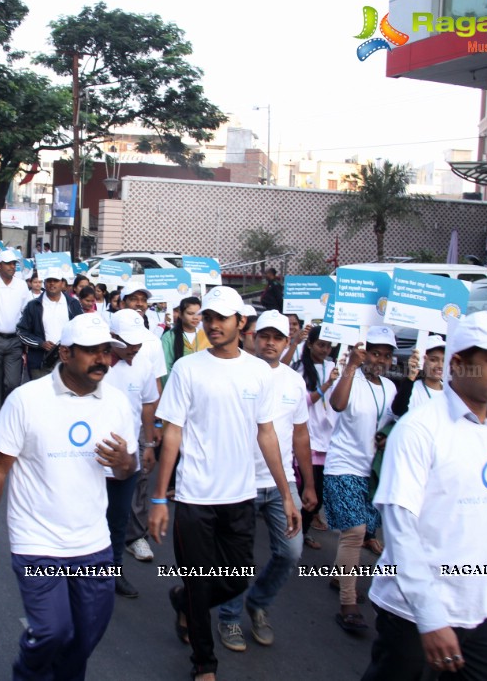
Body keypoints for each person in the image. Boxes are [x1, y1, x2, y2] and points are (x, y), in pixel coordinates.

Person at [363, 311, 487, 680]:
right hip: (414, 612)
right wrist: (430, 616)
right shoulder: (419, 429)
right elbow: (402, 529)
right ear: (458, 363)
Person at [0, 314, 138, 681]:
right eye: (91, 351)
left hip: (93, 542)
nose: (102, 360)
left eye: (106, 351)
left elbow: (124, 471)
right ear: (65, 352)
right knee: (52, 631)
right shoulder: (26, 400)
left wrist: (126, 463)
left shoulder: (118, 404)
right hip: (37, 540)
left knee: (88, 633)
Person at [149, 285, 298, 681]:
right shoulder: (188, 368)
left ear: (240, 323)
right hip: (195, 497)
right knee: (200, 585)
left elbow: (267, 434)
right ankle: (204, 664)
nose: (212, 325)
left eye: (221, 319)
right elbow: (173, 434)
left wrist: (287, 495)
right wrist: (161, 498)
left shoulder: (257, 373)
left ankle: (183, 600)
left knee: (237, 578)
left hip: (240, 497)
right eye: (208, 318)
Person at [216, 310, 315, 652]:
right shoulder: (235, 374)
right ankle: (229, 618)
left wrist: (308, 485)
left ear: (288, 342)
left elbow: (301, 434)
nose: (270, 343)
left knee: (291, 551)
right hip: (240, 482)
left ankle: (258, 602)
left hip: (281, 485)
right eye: (264, 336)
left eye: (278, 338)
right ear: (252, 338)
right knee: (237, 557)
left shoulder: (294, 381)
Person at [325, 326, 397, 632]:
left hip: (372, 472)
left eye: (385, 355)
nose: (379, 360)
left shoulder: (391, 389)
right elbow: (337, 405)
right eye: (374, 353)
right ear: (363, 352)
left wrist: (384, 436)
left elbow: (392, 421)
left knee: (359, 531)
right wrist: (351, 366)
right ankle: (348, 603)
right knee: (355, 532)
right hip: (343, 466)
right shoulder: (350, 379)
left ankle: (341, 574)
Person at [103, 309, 160, 599]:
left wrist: (148, 445)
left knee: (118, 519)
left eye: (138, 343)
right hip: (92, 457)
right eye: (128, 343)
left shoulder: (143, 365)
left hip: (129, 458)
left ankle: (113, 571)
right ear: (112, 338)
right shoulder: (96, 363)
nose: (134, 348)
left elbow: (149, 405)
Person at [292, 326, 339, 548]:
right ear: (310, 344)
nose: (325, 349)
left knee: (318, 492)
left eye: (328, 345)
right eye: (321, 344)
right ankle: (296, 530)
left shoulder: (333, 367)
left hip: (327, 438)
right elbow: (303, 402)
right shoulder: (301, 369)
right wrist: (326, 385)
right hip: (308, 435)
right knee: (306, 489)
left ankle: (305, 529)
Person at [0, 250, 32, 422]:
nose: (12, 266)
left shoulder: (22, 285)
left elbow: (26, 311)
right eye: (8, 263)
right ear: (0, 265)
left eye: (14, 263)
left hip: (14, 340)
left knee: (11, 382)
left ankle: (7, 415)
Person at [17, 269, 83, 381]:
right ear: (45, 283)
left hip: (66, 362)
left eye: (55, 281)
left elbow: (81, 329)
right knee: (40, 397)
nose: (52, 284)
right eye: (49, 281)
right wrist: (40, 343)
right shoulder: (33, 306)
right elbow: (21, 332)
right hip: (40, 363)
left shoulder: (73, 304)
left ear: (62, 283)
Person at [391, 335, 446, 417]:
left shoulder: (451, 390)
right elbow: (398, 410)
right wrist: (410, 377)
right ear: (422, 361)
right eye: (433, 360)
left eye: (444, 360)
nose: (440, 365)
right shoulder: (413, 390)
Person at [161, 296, 209, 383]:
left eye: (198, 313)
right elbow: (165, 368)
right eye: (190, 313)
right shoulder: (169, 337)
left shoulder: (207, 336)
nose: (195, 317)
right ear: (181, 314)